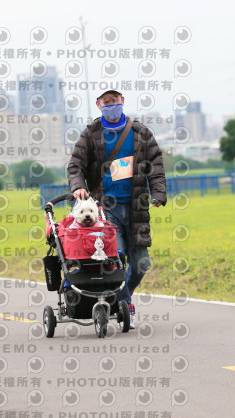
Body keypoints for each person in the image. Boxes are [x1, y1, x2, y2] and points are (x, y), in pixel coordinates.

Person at [67, 89, 167, 328]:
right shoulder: (90, 134)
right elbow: (75, 166)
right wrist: (78, 186)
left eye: (114, 100)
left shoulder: (140, 133)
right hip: (105, 210)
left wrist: (159, 192)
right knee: (116, 258)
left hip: (136, 208)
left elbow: (155, 165)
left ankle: (124, 293)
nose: (111, 104)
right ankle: (124, 305)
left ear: (122, 101)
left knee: (141, 263)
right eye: (106, 101)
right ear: (98, 105)